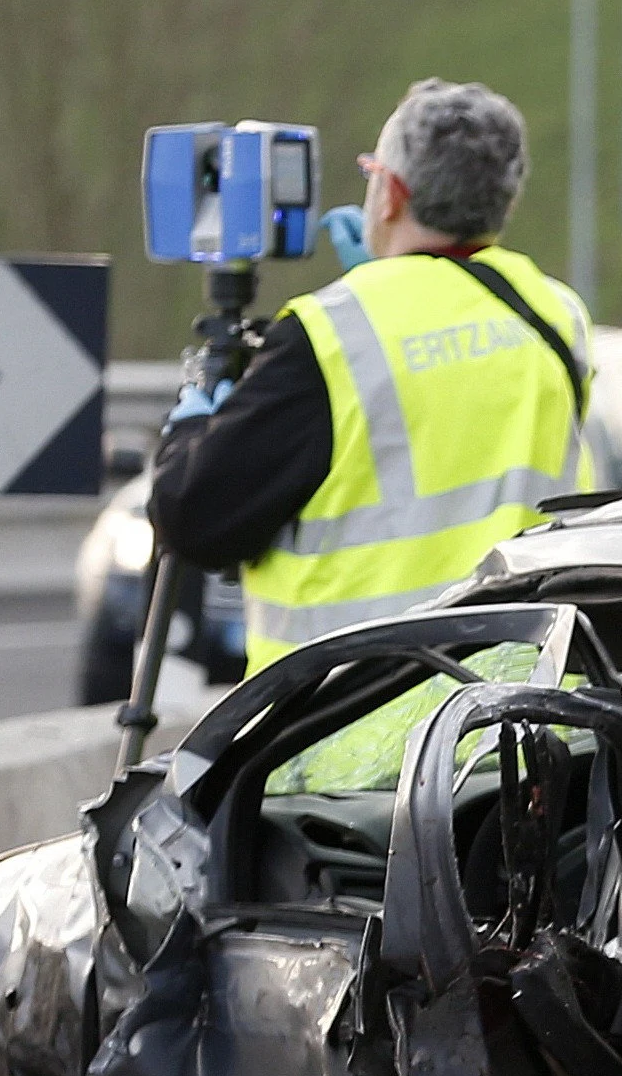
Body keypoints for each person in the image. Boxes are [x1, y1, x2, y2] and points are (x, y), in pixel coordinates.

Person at [153, 79, 595, 667]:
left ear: (388, 195)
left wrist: (191, 424)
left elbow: (196, 520)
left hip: (350, 733)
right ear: (505, 202)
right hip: (526, 719)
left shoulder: (331, 336)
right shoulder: (556, 315)